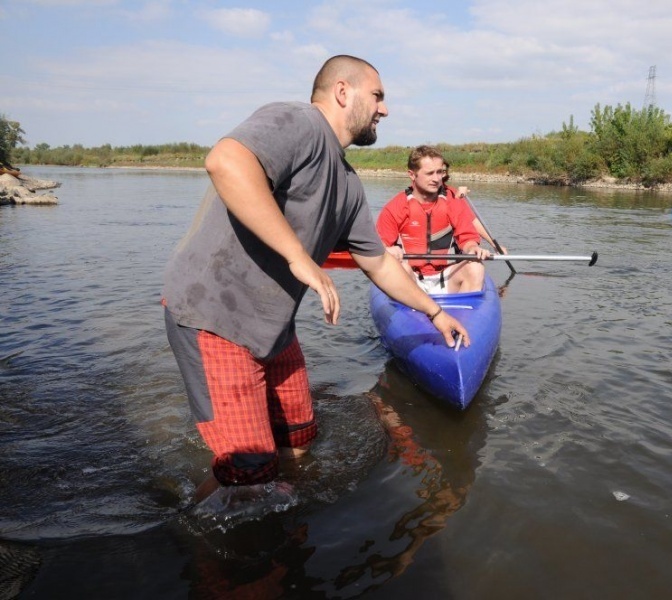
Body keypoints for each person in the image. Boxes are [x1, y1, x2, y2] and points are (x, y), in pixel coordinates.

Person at [161, 55, 470, 496]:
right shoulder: (297, 121)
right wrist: (298, 257)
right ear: (344, 92)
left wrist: (436, 314)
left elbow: (380, 263)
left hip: (273, 329)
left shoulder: (348, 183)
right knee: (249, 470)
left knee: (300, 441)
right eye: (378, 96)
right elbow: (225, 161)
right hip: (214, 316)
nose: (385, 110)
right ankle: (197, 542)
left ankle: (281, 523)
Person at [376, 146, 490, 294]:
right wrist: (387, 250)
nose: (437, 179)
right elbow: (377, 247)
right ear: (412, 174)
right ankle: (413, 309)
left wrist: (472, 248)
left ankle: (465, 313)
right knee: (399, 267)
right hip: (411, 279)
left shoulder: (452, 202)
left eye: (440, 172)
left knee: (476, 267)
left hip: (446, 276)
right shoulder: (395, 207)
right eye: (430, 173)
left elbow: (467, 237)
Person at [441, 161, 508, 255]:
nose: (437, 176)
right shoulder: (413, 196)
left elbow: (472, 220)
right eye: (431, 172)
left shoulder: (453, 195)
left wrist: (494, 244)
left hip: (449, 253)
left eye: (442, 172)